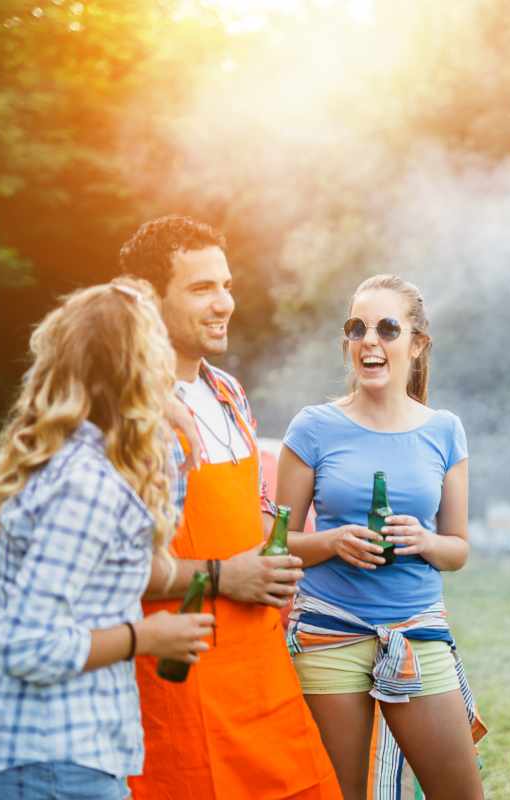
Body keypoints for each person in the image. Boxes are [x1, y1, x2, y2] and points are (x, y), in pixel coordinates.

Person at [0, 278, 215, 799]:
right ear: (140, 367)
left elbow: (139, 546)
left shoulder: (77, 457)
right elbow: (27, 646)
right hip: (50, 759)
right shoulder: (86, 485)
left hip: (47, 755)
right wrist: (146, 637)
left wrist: (175, 443)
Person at [119, 216, 341, 800]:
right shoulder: (128, 412)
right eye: (201, 288)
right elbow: (110, 566)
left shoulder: (230, 394)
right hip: (179, 685)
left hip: (261, 673)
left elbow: (257, 522)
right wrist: (226, 577)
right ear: (148, 298)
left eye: (226, 285)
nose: (223, 304)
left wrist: (333, 546)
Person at [276, 274, 485, 800]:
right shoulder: (313, 428)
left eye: (387, 328)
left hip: (417, 632)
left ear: (416, 344)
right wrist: (332, 542)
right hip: (328, 631)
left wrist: (423, 540)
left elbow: (457, 548)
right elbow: (270, 541)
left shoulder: (444, 430)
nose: (369, 340)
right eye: (357, 328)